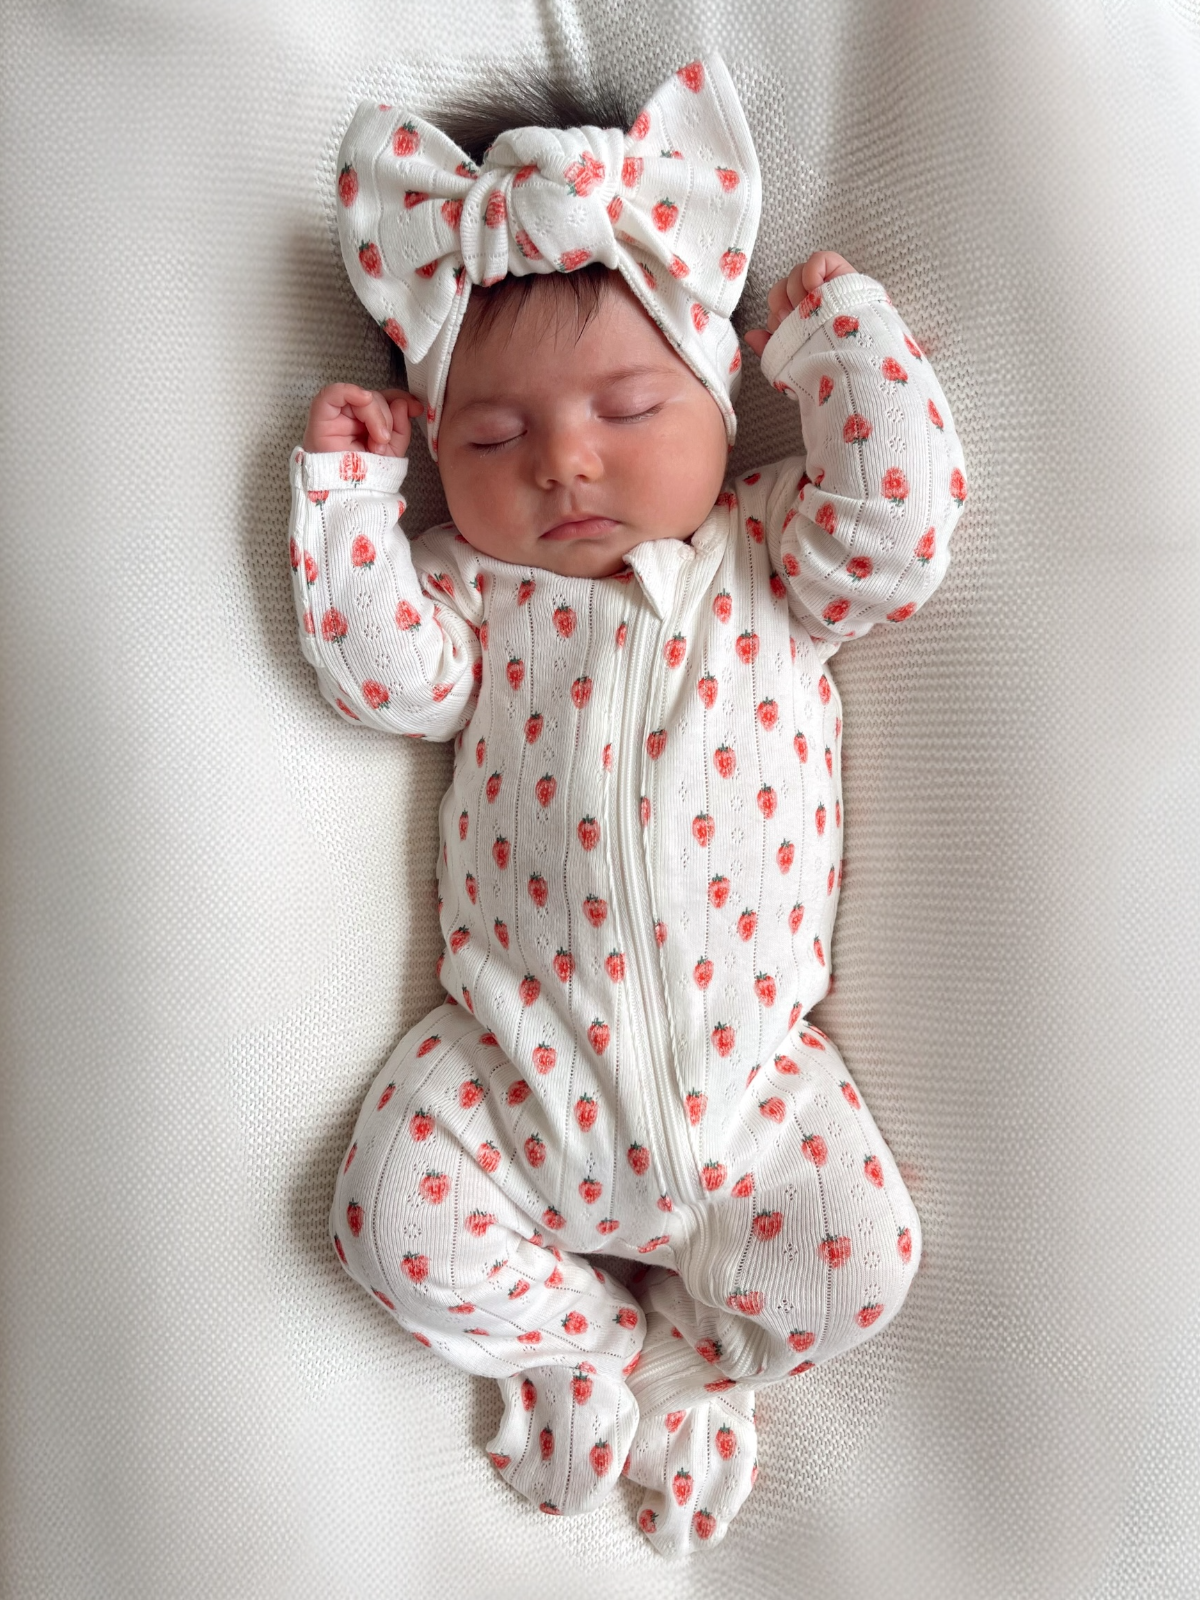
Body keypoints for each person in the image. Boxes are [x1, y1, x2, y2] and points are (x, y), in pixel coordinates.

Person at [288, 54, 967, 1554]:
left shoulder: (773, 558)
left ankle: (682, 1370)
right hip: (516, 1079)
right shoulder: (484, 595)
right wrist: (347, 510)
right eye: (491, 439)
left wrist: (843, 350)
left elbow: (901, 527)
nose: (566, 462)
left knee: (864, 1256)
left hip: (750, 1096)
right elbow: (381, 678)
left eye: (630, 403)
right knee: (384, 1213)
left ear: (719, 395)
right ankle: (575, 1343)